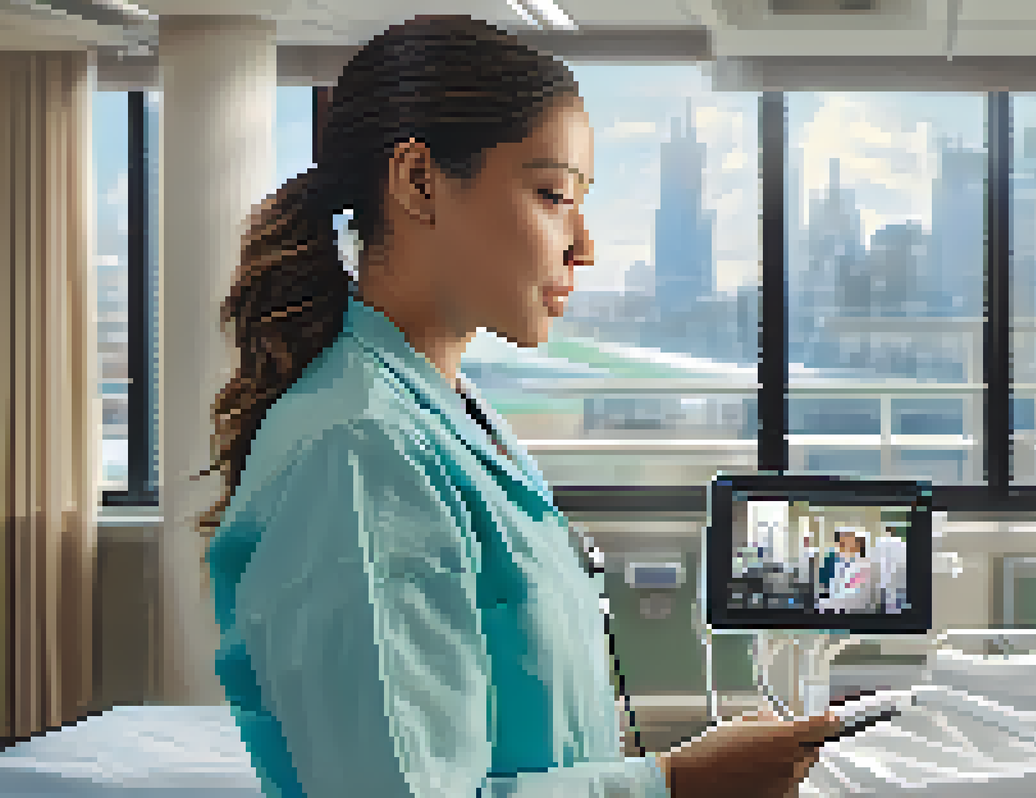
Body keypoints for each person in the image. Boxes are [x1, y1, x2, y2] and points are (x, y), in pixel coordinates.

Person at [198, 16, 839, 798]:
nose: (584, 246)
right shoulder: (361, 450)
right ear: (419, 182)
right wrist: (675, 785)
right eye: (552, 195)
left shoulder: (448, 415)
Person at [817, 527, 879, 614]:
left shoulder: (865, 565)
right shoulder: (833, 561)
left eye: (847, 541)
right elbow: (825, 588)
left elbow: (857, 598)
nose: (842, 544)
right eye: (841, 542)